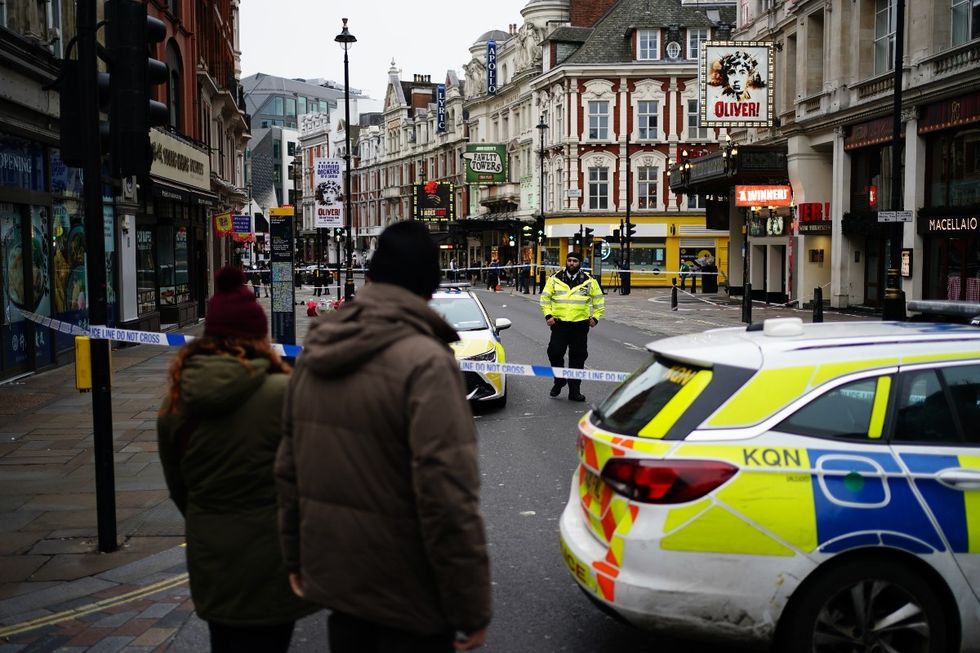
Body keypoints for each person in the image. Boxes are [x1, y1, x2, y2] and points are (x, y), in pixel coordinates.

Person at [276, 220, 491, 653]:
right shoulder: (427, 362)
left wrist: (295, 557)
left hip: (341, 589)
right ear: (429, 289)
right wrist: (471, 607)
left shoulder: (318, 347)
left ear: (371, 277)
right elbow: (447, 496)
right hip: (409, 599)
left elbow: (288, 468)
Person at [157, 267, 314, 653]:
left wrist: (210, 517)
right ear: (259, 337)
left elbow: (180, 489)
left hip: (214, 561)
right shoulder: (286, 391)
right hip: (276, 560)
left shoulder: (176, 401)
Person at [540, 251, 605, 402]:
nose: (571, 263)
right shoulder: (554, 279)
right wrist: (548, 315)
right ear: (566, 262)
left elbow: (599, 301)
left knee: (578, 358)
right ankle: (560, 379)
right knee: (554, 353)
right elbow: (545, 298)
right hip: (559, 324)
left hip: (580, 326)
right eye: (569, 260)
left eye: (575, 261)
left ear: (580, 263)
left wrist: (596, 317)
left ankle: (574, 391)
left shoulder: (589, 281)